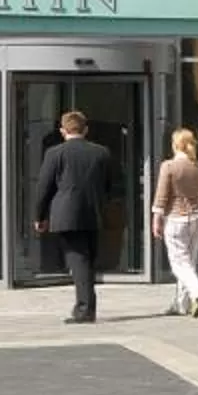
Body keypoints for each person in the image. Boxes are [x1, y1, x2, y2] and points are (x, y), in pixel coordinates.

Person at [29, 109, 117, 324]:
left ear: (62, 130)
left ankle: (84, 309)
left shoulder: (55, 153)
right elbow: (110, 185)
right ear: (85, 129)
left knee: (78, 261)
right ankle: (88, 306)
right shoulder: (101, 152)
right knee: (88, 261)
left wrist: (39, 215)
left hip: (66, 214)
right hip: (94, 213)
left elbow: (44, 187)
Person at [152, 127, 198, 317]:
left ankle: (197, 293)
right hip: (197, 217)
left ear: (175, 144)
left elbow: (162, 196)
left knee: (179, 263)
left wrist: (156, 219)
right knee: (190, 262)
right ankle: (181, 304)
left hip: (176, 218)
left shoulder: (169, 166)